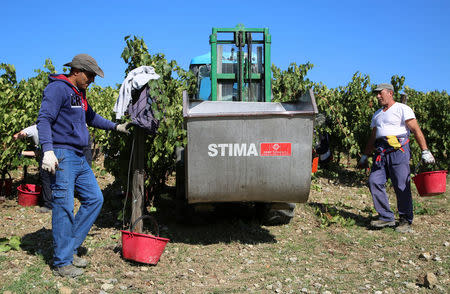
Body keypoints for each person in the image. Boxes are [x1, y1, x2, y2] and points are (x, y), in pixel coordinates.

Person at [36, 54, 131, 277]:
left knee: (95, 199)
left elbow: (91, 117)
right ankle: (62, 262)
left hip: (79, 156)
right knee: (64, 206)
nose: (92, 80)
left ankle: (69, 248)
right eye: (90, 75)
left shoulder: (80, 93)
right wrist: (48, 150)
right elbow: (44, 119)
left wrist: (115, 127)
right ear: (76, 71)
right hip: (62, 154)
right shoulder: (57, 89)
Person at [358, 83, 435, 233]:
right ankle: (386, 217)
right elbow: (373, 137)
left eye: (381, 93)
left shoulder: (402, 109)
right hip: (381, 152)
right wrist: (365, 155)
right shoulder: (377, 114)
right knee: (374, 181)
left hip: (398, 150)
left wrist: (425, 150)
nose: (378, 96)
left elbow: (415, 129)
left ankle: (405, 220)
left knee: (401, 185)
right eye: (377, 94)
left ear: (390, 93)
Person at [13, 125, 52, 213]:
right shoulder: (53, 125)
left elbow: (19, 135)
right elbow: (38, 152)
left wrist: (15, 138)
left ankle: (48, 205)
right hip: (59, 152)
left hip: (47, 155)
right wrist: (23, 153)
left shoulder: (34, 128)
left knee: (46, 179)